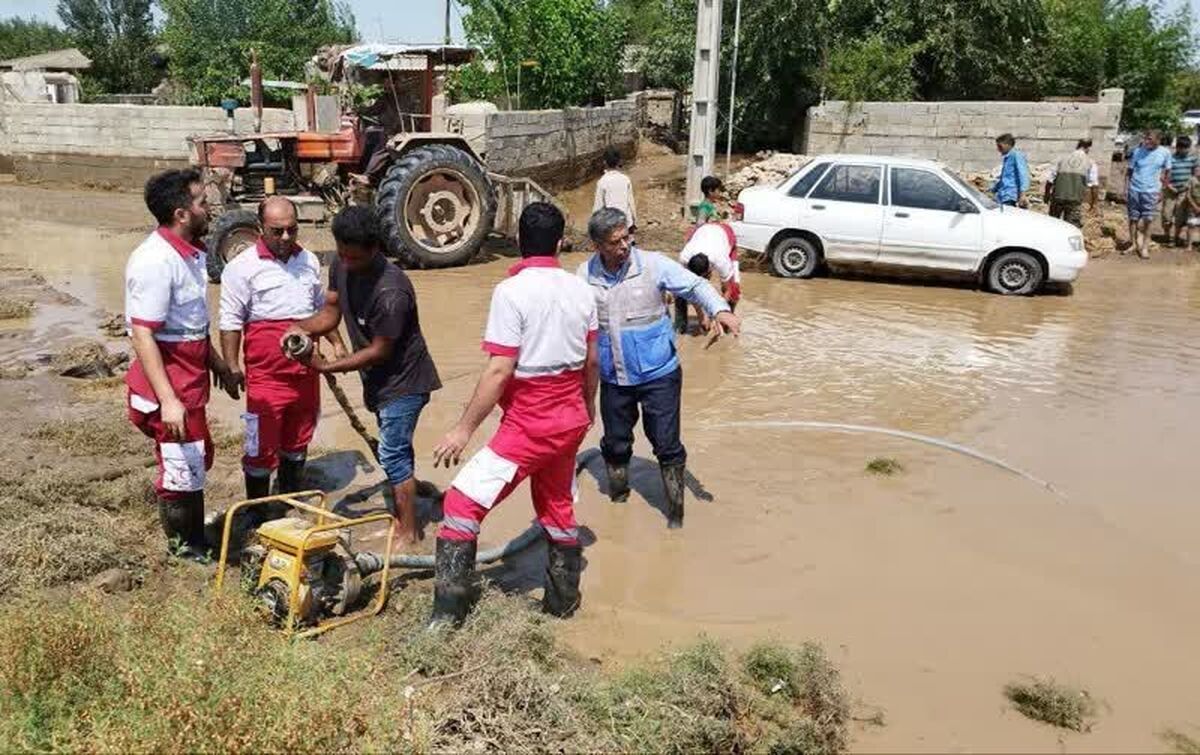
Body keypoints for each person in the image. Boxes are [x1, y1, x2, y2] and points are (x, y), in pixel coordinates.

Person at [429, 202, 599, 626]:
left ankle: (447, 617)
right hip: (570, 418)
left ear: (520, 241)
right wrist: (588, 407)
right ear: (560, 243)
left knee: (461, 503)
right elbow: (593, 363)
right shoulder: (583, 289)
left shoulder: (511, 292)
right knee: (558, 507)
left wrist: (462, 430)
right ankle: (562, 608)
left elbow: (500, 369)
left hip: (530, 422)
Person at [284, 206, 441, 545]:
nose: (347, 264)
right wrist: (301, 328)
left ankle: (409, 530)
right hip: (379, 381)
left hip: (404, 382)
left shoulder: (391, 292)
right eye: (342, 254)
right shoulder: (341, 264)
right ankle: (411, 499)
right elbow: (329, 314)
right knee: (395, 448)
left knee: (392, 453)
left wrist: (325, 366)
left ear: (375, 248)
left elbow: (379, 351)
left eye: (355, 258)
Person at [578, 208, 740, 529]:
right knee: (615, 442)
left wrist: (720, 310)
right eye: (615, 242)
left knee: (666, 444)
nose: (625, 245)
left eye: (627, 236)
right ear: (597, 245)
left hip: (659, 374)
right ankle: (618, 501)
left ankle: (675, 516)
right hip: (614, 377)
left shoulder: (653, 264)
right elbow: (570, 320)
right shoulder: (585, 276)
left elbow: (696, 286)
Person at [125, 168, 236, 559]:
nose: (210, 208)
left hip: (189, 377)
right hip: (169, 383)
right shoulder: (155, 262)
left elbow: (191, 324)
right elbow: (143, 335)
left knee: (195, 457)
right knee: (180, 465)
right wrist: (168, 400)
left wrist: (219, 365)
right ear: (181, 214)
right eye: (202, 202)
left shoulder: (189, 254)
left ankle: (194, 538)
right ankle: (185, 547)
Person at [219, 196, 345, 506]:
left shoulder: (309, 261)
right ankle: (257, 510)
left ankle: (291, 501)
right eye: (278, 231)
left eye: (292, 229)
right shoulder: (241, 268)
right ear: (261, 228)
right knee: (258, 446)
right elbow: (230, 321)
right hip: (264, 380)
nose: (286, 237)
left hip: (305, 373)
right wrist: (231, 368)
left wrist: (338, 344)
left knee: (298, 440)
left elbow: (321, 311)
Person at [674, 221, 741, 334]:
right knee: (680, 290)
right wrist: (701, 314)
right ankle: (680, 328)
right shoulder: (684, 258)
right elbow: (689, 289)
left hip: (725, 233)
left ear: (709, 270)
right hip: (703, 230)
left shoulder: (721, 261)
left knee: (734, 290)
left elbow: (727, 290)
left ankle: (726, 326)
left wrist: (716, 313)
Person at [1125, 129, 1173, 259]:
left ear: (1158, 140)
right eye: (1146, 138)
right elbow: (1129, 171)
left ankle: (1145, 247)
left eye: (1150, 139)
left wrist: (1163, 190)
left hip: (1152, 191)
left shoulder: (1165, 153)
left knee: (1148, 220)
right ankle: (1133, 244)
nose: (1146, 141)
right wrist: (1127, 189)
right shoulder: (1137, 151)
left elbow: (1168, 173)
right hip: (1134, 189)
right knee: (1133, 218)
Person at [1044, 138, 1100, 228]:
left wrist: (1046, 195)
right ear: (1088, 148)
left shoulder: (1062, 159)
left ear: (1077, 146)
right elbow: (1094, 185)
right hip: (1074, 200)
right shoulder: (1090, 163)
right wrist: (1094, 204)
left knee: (1052, 225)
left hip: (1057, 197)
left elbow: (1050, 180)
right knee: (1071, 227)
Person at [1161, 135, 1197, 247]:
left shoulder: (1193, 159)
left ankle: (1175, 238)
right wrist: (1169, 185)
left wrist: (1188, 187)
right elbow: (1163, 175)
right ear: (1177, 147)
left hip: (1184, 191)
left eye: (1187, 148)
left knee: (1179, 216)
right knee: (1166, 215)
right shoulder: (1170, 158)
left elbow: (1195, 175)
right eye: (1182, 148)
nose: (1184, 150)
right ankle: (1167, 235)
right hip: (1170, 190)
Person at [593, 146, 637, 234]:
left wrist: (594, 228)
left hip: (611, 225)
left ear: (604, 162)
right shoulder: (625, 179)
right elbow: (631, 203)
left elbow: (598, 207)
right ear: (619, 162)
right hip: (626, 223)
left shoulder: (602, 182)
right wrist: (634, 222)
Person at [992, 133, 1030, 207]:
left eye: (1000, 146)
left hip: (1010, 196)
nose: (998, 149)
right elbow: (1005, 178)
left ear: (1007, 145)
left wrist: (1023, 194)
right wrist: (994, 189)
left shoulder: (1016, 155)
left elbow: (1023, 174)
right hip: (1002, 195)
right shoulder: (1007, 158)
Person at [1186, 162, 1200, 249]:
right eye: (1197, 170)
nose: (1198, 172)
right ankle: (1189, 245)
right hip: (1192, 206)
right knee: (1191, 225)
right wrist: (1195, 206)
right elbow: (1188, 195)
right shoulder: (1191, 180)